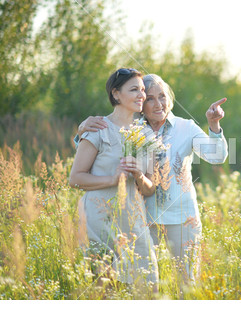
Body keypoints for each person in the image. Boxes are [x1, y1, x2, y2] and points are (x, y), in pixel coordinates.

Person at [77, 74, 228, 284]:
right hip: (142, 219)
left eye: (162, 96)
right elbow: (99, 151)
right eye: (150, 98)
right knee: (141, 282)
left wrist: (213, 125)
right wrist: (82, 130)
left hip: (181, 218)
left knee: (188, 283)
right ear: (141, 102)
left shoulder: (187, 128)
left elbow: (217, 156)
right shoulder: (132, 128)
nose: (158, 104)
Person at [69, 68, 158, 287]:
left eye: (143, 90)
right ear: (116, 94)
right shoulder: (97, 127)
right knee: (105, 289)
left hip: (132, 219)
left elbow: (149, 188)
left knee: (148, 285)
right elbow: (75, 179)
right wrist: (113, 179)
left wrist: (138, 174)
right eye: (134, 89)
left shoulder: (146, 134)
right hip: (99, 219)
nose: (141, 95)